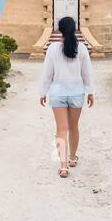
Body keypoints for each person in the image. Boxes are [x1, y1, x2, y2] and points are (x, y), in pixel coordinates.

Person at [38, 16, 94, 178]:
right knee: (73, 127)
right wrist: (90, 92)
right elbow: (87, 73)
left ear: (59, 29)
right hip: (77, 92)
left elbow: (47, 73)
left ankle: (63, 166)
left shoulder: (52, 49)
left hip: (58, 93)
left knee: (61, 129)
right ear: (75, 29)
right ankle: (72, 158)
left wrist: (43, 92)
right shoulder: (82, 48)